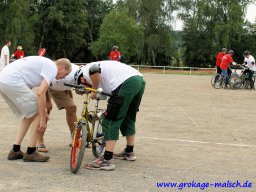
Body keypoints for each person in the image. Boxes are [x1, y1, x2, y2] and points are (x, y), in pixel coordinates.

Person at [75, 60, 145, 171]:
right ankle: (129, 152)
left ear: (81, 79)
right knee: (128, 118)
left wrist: (93, 91)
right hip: (138, 80)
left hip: (125, 82)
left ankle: (107, 160)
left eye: (82, 86)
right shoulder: (103, 70)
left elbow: (95, 70)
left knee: (110, 120)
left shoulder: (85, 71)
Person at [0, 56, 72, 162]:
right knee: (39, 111)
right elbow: (40, 93)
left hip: (3, 80)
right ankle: (31, 152)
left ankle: (15, 150)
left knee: (30, 113)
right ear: (61, 67)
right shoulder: (52, 68)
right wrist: (43, 119)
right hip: (12, 81)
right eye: (66, 74)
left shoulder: (46, 63)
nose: (64, 77)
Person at [36, 63, 80, 152]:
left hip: (60, 87)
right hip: (47, 86)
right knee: (46, 109)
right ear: (61, 68)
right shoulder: (51, 70)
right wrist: (47, 102)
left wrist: (67, 87)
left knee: (72, 107)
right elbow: (42, 89)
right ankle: (39, 141)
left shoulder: (77, 71)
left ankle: (74, 138)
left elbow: (77, 83)